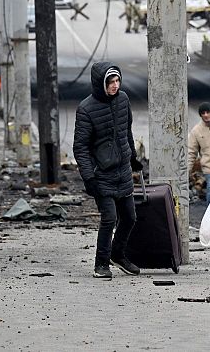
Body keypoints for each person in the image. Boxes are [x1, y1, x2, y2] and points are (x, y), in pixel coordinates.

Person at [73, 62, 143, 279]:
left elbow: (126, 131)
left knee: (129, 217)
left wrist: (132, 157)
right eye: (110, 82)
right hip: (101, 174)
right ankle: (101, 264)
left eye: (117, 80)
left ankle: (118, 255)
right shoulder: (86, 109)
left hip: (123, 171)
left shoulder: (123, 100)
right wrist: (89, 177)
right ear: (100, 83)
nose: (115, 85)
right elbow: (80, 147)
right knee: (109, 218)